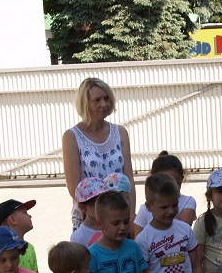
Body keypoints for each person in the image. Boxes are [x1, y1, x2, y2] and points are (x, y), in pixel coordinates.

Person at [62, 77, 136, 234]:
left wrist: (130, 216)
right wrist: (97, 217)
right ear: (84, 103)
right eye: (97, 100)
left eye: (106, 98)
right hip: (89, 220)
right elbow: (74, 187)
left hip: (119, 219)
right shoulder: (71, 136)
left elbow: (129, 177)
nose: (104, 104)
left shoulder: (120, 132)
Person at [131, 152, 197, 238]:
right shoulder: (145, 209)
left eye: (175, 184)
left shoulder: (188, 202)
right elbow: (138, 240)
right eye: (164, 185)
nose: (169, 189)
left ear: (182, 179)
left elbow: (183, 231)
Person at [71, 177, 111, 247]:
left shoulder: (114, 225)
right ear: (82, 207)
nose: (102, 206)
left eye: (104, 200)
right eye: (95, 203)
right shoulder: (78, 237)